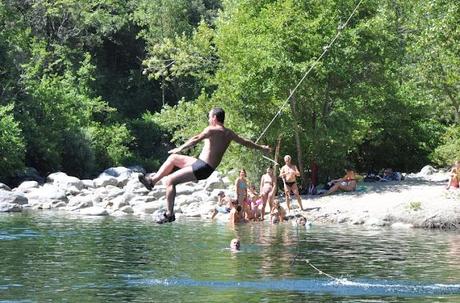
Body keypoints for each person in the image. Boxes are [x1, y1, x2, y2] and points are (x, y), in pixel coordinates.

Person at [138, 107, 270, 224]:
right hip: (203, 165)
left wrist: (180, 148)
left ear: (214, 118)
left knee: (170, 181)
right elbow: (246, 142)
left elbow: (196, 138)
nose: (208, 120)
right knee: (173, 159)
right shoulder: (229, 133)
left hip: (202, 167)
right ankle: (152, 182)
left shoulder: (212, 130)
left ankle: (169, 214)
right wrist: (261, 147)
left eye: (209, 117)